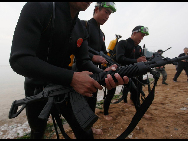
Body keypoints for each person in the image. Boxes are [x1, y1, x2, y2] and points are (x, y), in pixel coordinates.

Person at [9, 2, 129, 139]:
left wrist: (104, 74)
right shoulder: (39, 7)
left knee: (85, 132)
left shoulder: (80, 27)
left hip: (67, 89)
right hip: (38, 89)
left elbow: (84, 62)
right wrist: (71, 77)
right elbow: (19, 60)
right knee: (37, 132)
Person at [78, 2, 117, 133]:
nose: (107, 16)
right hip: (80, 71)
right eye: (105, 12)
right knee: (81, 101)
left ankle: (90, 126)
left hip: (96, 72)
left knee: (92, 98)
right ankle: (82, 128)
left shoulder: (101, 33)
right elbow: (76, 48)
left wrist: (110, 62)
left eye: (109, 14)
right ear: (96, 9)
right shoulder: (84, 25)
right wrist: (92, 57)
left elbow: (103, 52)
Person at [116, 25, 151, 118]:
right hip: (122, 72)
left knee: (137, 90)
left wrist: (145, 59)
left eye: (143, 36)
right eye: (141, 35)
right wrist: (136, 61)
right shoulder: (123, 43)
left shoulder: (139, 47)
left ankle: (138, 110)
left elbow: (140, 59)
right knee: (111, 92)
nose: (142, 38)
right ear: (134, 33)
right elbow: (119, 58)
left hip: (135, 73)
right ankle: (106, 113)